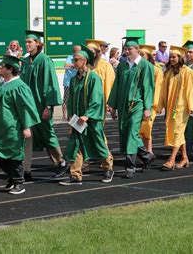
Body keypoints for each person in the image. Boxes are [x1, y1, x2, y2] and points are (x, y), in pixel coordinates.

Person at [0, 55, 40, 195]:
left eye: (2, 66)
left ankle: (19, 182)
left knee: (13, 154)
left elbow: (25, 108)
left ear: (10, 69)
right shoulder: (1, 84)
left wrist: (26, 126)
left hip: (12, 127)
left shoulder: (20, 87)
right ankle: (12, 177)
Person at [60, 44, 114, 185]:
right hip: (78, 119)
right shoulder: (73, 80)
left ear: (84, 61)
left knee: (98, 144)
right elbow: (71, 101)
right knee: (76, 144)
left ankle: (108, 168)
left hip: (92, 119)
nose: (74, 62)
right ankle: (75, 175)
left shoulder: (94, 78)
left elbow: (96, 100)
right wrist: (72, 118)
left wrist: (87, 115)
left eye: (76, 59)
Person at [20, 30, 67, 180]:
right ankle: (26, 169)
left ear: (38, 43)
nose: (27, 44)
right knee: (27, 137)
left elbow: (50, 84)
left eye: (30, 42)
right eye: (26, 42)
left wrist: (49, 107)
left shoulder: (45, 61)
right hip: (29, 107)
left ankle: (61, 162)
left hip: (41, 106)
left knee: (48, 135)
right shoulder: (27, 61)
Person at [108, 37, 155, 178]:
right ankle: (147, 156)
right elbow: (116, 86)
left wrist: (147, 108)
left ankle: (130, 166)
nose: (127, 51)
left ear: (137, 49)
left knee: (131, 134)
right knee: (126, 132)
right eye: (126, 49)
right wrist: (113, 106)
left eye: (130, 49)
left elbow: (148, 88)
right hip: (123, 104)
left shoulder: (145, 66)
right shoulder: (122, 66)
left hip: (137, 105)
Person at [158, 46, 193, 170]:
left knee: (177, 132)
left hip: (182, 107)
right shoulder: (168, 73)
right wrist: (160, 105)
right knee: (178, 132)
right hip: (171, 107)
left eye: (174, 57)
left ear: (180, 58)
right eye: (170, 57)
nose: (172, 59)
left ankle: (172, 159)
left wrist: (192, 106)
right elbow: (162, 91)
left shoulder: (187, 72)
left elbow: (191, 89)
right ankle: (184, 157)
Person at [138, 44, 163, 157]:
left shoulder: (156, 70)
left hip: (150, 105)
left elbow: (158, 88)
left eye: (143, 54)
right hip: (138, 103)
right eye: (139, 54)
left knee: (146, 129)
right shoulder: (137, 68)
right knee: (138, 130)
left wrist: (154, 105)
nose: (140, 56)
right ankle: (146, 153)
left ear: (148, 56)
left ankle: (149, 152)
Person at [62, 45, 81, 121]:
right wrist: (75, 65)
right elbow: (65, 65)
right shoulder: (70, 58)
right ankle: (64, 116)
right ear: (74, 51)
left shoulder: (81, 58)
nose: (80, 52)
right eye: (78, 51)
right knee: (66, 100)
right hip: (68, 83)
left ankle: (75, 116)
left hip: (77, 82)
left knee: (77, 100)